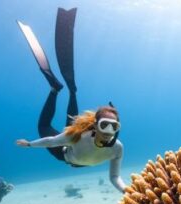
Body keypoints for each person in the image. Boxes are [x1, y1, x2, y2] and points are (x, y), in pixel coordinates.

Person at [15, 8, 126, 193]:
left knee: (70, 122)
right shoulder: (77, 136)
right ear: (96, 125)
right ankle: (59, 91)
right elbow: (51, 141)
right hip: (65, 152)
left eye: (114, 127)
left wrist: (126, 190)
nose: (109, 132)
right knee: (44, 126)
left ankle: (61, 89)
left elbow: (115, 177)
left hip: (73, 157)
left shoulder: (117, 148)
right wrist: (30, 144)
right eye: (105, 125)